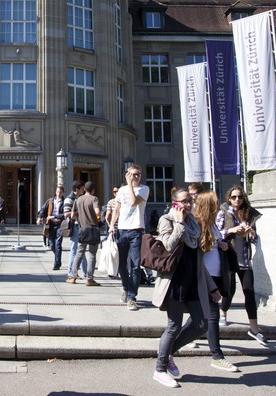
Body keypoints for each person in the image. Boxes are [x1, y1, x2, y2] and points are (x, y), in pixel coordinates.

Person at [152, 188, 220, 388]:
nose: (188, 204)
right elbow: (168, 245)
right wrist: (179, 223)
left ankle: (168, 352)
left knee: (201, 323)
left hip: (192, 281)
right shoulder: (167, 219)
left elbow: (198, 260)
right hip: (174, 282)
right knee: (173, 326)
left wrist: (212, 287)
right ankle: (160, 369)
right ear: (174, 203)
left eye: (190, 200)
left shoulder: (194, 223)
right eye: (183, 201)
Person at [194, 191, 239, 373]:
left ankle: (168, 347)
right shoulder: (199, 225)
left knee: (199, 317)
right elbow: (197, 253)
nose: (218, 205)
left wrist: (224, 245)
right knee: (212, 315)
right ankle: (217, 356)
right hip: (207, 276)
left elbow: (217, 245)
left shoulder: (212, 225)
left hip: (218, 274)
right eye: (215, 203)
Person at [217, 186, 268, 345]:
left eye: (239, 197)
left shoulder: (249, 215)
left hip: (245, 259)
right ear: (229, 199)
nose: (237, 200)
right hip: (229, 257)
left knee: (249, 292)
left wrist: (251, 233)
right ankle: (223, 312)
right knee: (229, 290)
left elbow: (255, 239)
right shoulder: (224, 213)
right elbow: (217, 234)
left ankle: (254, 328)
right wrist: (232, 229)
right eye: (234, 197)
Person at [108, 165, 150, 311]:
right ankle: (126, 288)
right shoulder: (121, 190)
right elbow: (117, 208)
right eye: (132, 174)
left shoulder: (144, 189)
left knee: (135, 265)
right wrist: (112, 224)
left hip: (136, 231)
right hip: (122, 230)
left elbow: (133, 202)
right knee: (121, 265)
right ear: (128, 174)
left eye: (137, 174)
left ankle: (132, 297)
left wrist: (130, 185)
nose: (135, 177)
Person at [67, 181, 101, 286]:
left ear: (84, 189)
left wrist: (80, 215)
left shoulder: (78, 200)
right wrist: (97, 218)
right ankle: (89, 279)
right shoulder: (94, 199)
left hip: (82, 229)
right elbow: (97, 212)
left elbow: (72, 216)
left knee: (79, 252)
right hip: (93, 229)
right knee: (92, 254)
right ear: (93, 190)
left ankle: (73, 277)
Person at [36, 186, 66, 270]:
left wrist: (54, 216)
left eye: (60, 192)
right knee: (52, 244)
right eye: (57, 192)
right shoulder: (50, 201)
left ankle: (56, 264)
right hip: (51, 225)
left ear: (63, 193)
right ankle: (58, 258)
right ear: (55, 192)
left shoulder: (64, 202)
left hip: (60, 224)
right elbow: (43, 209)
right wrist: (39, 217)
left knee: (58, 244)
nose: (58, 193)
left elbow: (64, 215)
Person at [63, 180, 86, 279]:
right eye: (82, 188)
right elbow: (66, 213)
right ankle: (71, 272)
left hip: (80, 226)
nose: (84, 190)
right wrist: (80, 213)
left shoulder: (80, 198)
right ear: (77, 189)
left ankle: (85, 272)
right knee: (74, 250)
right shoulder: (69, 199)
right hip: (75, 226)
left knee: (81, 250)